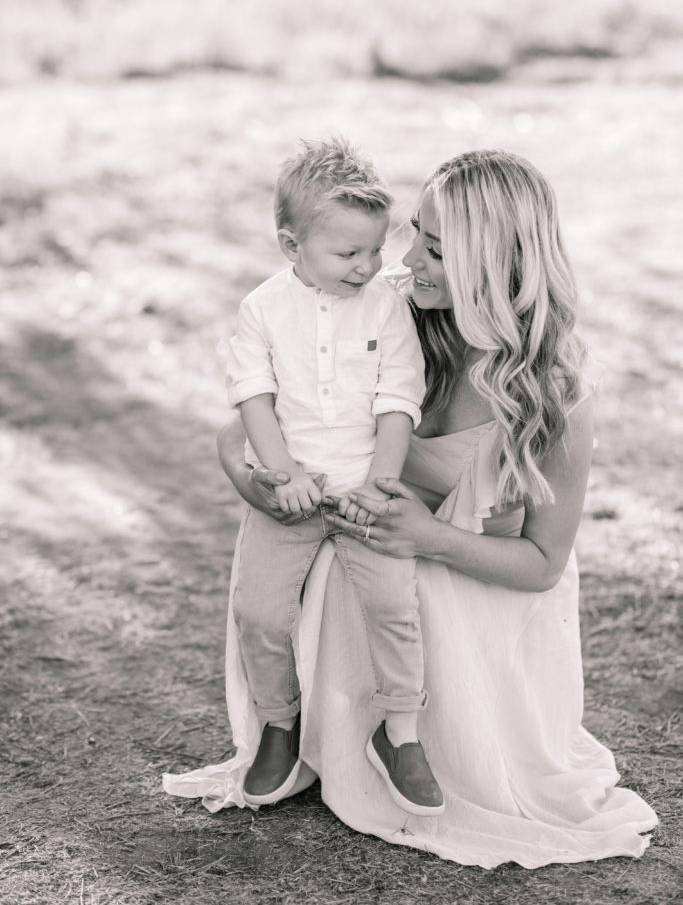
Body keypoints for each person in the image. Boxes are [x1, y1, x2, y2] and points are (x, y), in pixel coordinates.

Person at [164, 148, 658, 869]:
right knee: (314, 562)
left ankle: (402, 738)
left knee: (388, 574)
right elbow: (240, 428)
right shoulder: (382, 303)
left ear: (491, 263)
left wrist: (426, 535)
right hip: (369, 531)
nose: (405, 258)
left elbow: (542, 563)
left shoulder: (553, 391)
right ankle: (298, 730)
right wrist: (261, 485)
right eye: (413, 234)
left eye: (433, 248)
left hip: (478, 577)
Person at [223, 136, 443, 814]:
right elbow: (252, 395)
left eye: (373, 250)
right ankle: (279, 725)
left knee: (392, 608)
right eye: (346, 254)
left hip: (362, 493)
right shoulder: (263, 308)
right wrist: (281, 475)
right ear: (292, 247)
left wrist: (380, 482)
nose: (366, 266)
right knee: (258, 612)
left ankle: (399, 732)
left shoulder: (386, 305)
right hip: (291, 496)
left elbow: (397, 398)